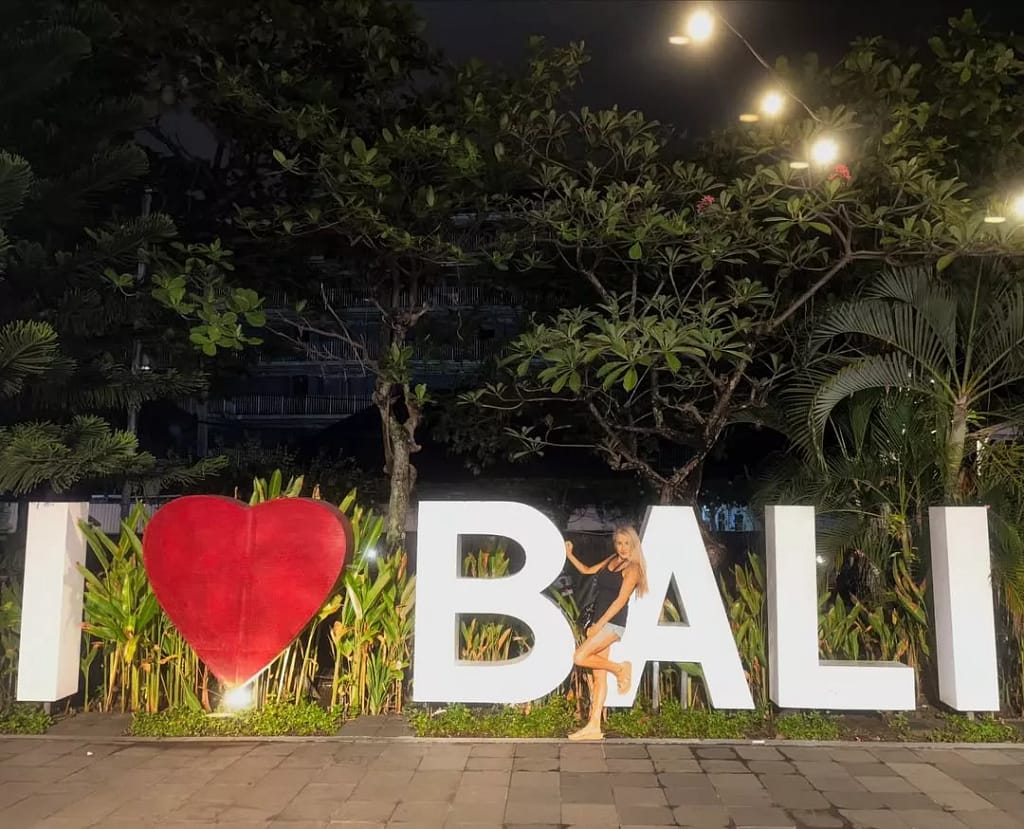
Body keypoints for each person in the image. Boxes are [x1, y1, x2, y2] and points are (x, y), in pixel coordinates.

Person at [563, 526, 649, 740]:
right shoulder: (613, 559)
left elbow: (620, 601)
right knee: (598, 676)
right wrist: (569, 555)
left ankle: (620, 669)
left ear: (633, 545)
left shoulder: (633, 568)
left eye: (626, 543)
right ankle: (594, 726)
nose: (622, 548)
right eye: (619, 543)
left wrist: (598, 625)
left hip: (612, 624)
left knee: (580, 657)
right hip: (600, 621)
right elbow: (586, 570)